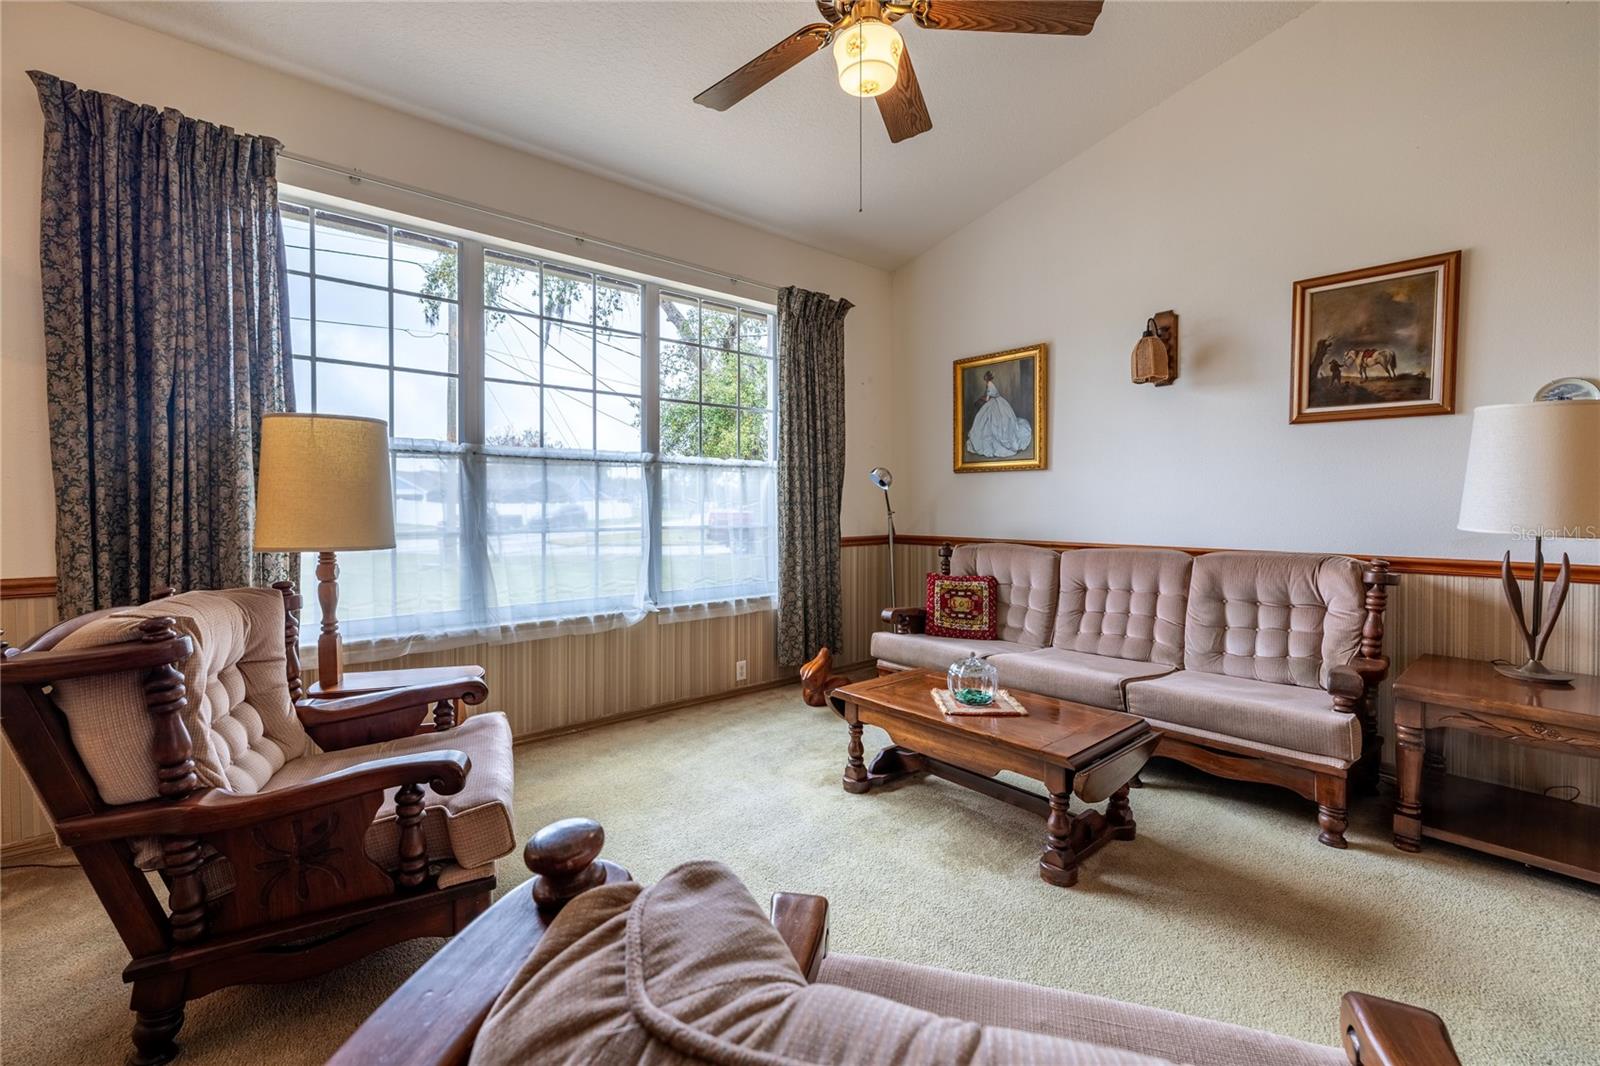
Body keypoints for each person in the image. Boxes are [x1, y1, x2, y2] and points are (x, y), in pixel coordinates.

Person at [966, 370, 1032, 458]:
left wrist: (983, 399)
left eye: (986, 377)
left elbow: (991, 395)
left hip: (996, 403)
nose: (985, 378)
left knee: (995, 421)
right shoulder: (988, 384)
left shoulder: (990, 384)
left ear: (988, 377)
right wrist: (983, 398)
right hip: (992, 402)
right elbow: (986, 394)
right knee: (984, 420)